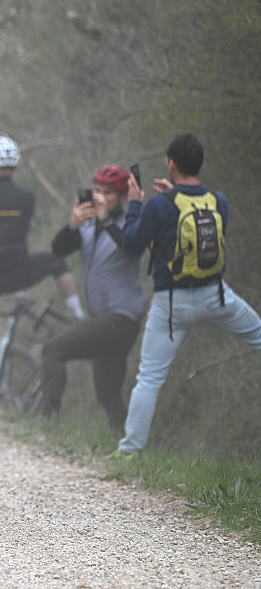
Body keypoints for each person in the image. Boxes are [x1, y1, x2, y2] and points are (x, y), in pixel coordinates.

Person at [116, 134, 261, 455]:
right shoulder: (219, 201)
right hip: (217, 298)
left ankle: (129, 452)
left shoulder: (159, 205)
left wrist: (136, 204)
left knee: (149, 379)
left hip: (172, 306)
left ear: (171, 165)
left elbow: (132, 245)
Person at [40, 165, 143, 431]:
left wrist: (106, 219)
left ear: (121, 197)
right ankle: (125, 443)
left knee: (52, 350)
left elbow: (132, 249)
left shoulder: (129, 225)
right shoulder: (88, 227)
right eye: (97, 191)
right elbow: (58, 250)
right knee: (108, 395)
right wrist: (72, 224)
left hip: (120, 319)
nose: (100, 197)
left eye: (108, 193)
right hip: (104, 319)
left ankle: (48, 423)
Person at [0, 133, 83, 324]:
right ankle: (77, 313)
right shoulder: (27, 198)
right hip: (19, 271)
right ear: (15, 164)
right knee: (56, 262)